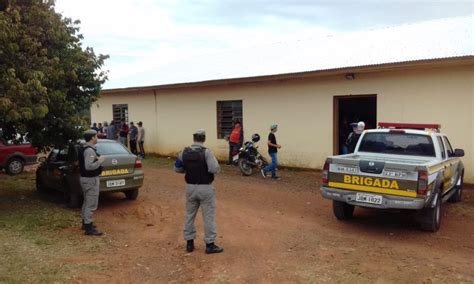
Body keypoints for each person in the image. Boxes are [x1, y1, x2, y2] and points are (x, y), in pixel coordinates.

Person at [174, 129, 223, 254]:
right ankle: (210, 244)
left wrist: (189, 170)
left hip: (190, 187)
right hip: (205, 187)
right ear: (204, 139)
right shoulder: (207, 152)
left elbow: (177, 168)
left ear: (194, 138)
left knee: (189, 215)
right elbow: (214, 168)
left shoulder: (184, 151)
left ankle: (189, 243)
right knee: (208, 217)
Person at [79, 129, 105, 236]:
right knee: (91, 204)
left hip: (86, 179)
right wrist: (100, 161)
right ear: (92, 138)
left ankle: (85, 223)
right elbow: (88, 166)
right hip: (90, 180)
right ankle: (88, 228)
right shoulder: (89, 150)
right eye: (96, 136)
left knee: (86, 202)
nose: (97, 138)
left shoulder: (85, 148)